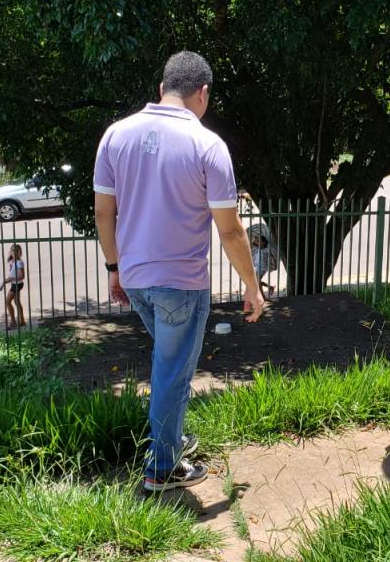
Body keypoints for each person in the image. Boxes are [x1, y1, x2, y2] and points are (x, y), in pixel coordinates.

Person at [94, 51, 265, 491]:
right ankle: (162, 468)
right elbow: (230, 229)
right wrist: (252, 285)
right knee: (172, 372)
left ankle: (168, 440)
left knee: (169, 364)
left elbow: (103, 213)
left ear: (162, 88)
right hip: (181, 285)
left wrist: (114, 267)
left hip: (135, 278)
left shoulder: (115, 135)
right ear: (203, 93)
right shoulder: (207, 145)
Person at [0, 244, 26, 329]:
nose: (14, 252)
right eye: (13, 250)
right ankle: (22, 321)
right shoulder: (12, 261)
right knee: (17, 301)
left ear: (20, 252)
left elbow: (22, 276)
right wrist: (9, 279)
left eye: (17, 251)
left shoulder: (19, 263)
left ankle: (13, 322)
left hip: (17, 285)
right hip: (14, 283)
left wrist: (10, 279)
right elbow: (13, 272)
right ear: (10, 252)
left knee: (7, 302)